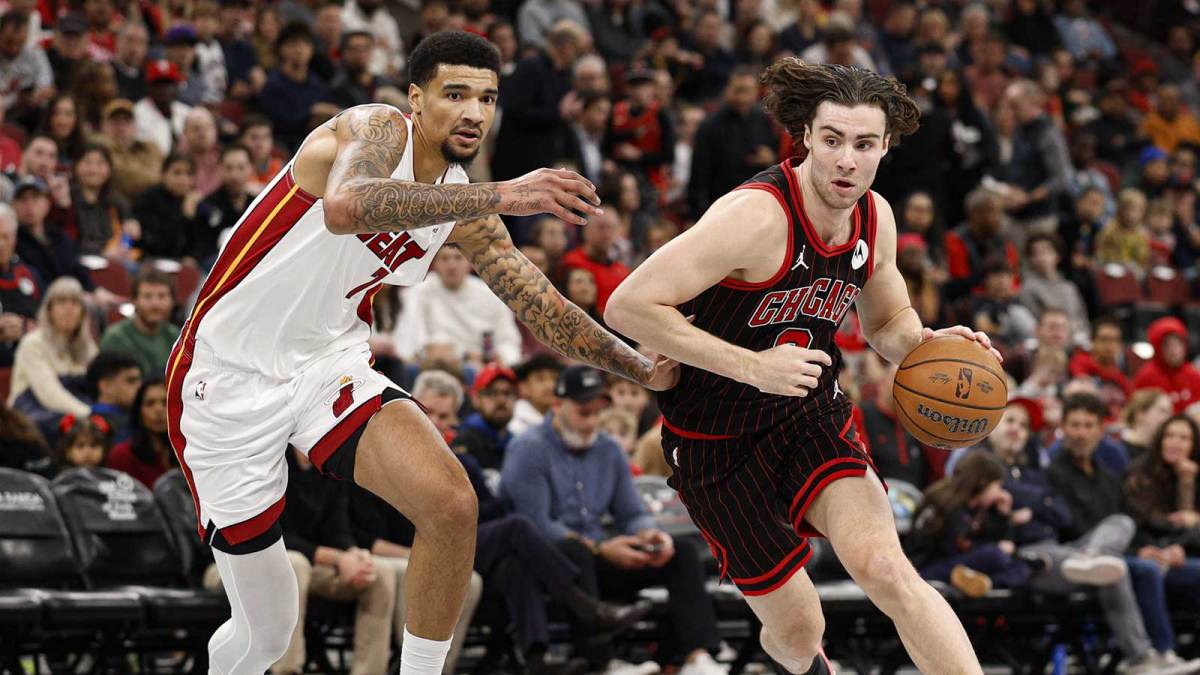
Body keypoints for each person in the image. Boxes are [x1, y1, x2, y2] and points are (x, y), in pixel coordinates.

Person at [165, 31, 679, 675]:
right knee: (266, 633)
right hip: (226, 374)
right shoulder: (375, 128)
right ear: (416, 98)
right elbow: (349, 206)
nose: (473, 112)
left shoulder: (463, 203)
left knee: (451, 504)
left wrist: (640, 366)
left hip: (328, 364)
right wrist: (505, 193)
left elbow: (541, 306)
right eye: (455, 94)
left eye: (487, 99)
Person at [605, 60, 1000, 674]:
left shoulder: (877, 218)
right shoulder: (755, 216)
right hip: (714, 442)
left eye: (864, 144)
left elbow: (887, 324)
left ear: (884, 147)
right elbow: (627, 304)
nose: (847, 160)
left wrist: (930, 345)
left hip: (809, 416)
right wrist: (751, 366)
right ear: (807, 137)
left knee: (886, 568)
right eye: (834, 140)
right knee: (797, 629)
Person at [502, 365, 723, 675]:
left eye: (597, 413)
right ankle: (602, 662)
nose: (591, 422)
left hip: (600, 556)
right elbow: (537, 525)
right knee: (573, 551)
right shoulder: (528, 448)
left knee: (681, 551)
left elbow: (631, 512)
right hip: (550, 567)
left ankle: (696, 658)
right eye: (583, 412)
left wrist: (649, 535)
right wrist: (599, 548)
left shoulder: (609, 450)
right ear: (557, 406)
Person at [395, 244, 522, 367]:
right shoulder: (418, 292)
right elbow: (411, 342)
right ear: (434, 263)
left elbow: (509, 341)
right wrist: (461, 355)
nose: (452, 265)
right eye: (445, 259)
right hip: (435, 366)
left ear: (470, 262)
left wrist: (500, 358)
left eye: (458, 258)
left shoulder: (491, 295)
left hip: (484, 366)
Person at [8, 277, 96, 419]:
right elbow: (49, 394)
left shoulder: (88, 346)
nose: (69, 309)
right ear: (49, 310)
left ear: (83, 312)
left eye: (75, 303)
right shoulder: (32, 343)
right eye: (61, 302)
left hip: (75, 412)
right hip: (32, 415)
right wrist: (90, 415)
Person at [100, 268, 180, 378]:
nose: (155, 304)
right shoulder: (116, 338)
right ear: (134, 300)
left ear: (172, 301)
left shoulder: (177, 337)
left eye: (161, 296)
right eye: (147, 296)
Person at [106, 376, 175, 488]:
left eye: (165, 402)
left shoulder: (194, 452)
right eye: (150, 403)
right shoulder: (122, 456)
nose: (158, 410)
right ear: (139, 411)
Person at [454, 363, 516, 472]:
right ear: (476, 399)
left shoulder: (517, 442)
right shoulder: (464, 443)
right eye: (492, 393)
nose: (501, 400)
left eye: (507, 393)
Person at [1134, 317, 1200, 413]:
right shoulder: (1146, 377)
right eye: (1167, 345)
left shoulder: (1194, 375)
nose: (1174, 350)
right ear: (1158, 348)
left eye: (1178, 344)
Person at [84, 351, 141, 440]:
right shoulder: (93, 428)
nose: (139, 387)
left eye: (139, 380)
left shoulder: (135, 418)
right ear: (106, 386)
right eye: (130, 381)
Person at [508, 353, 564, 436]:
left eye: (555, 378)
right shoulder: (512, 422)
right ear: (523, 387)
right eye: (540, 379)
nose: (550, 385)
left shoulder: (567, 419)